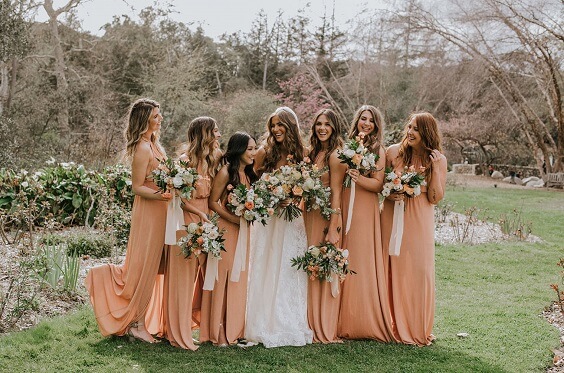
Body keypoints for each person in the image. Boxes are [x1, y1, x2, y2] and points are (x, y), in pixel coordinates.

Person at [85, 98, 170, 343]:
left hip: (161, 211)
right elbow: (137, 187)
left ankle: (145, 319)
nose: (160, 119)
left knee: (154, 267)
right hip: (149, 212)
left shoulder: (154, 145)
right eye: (156, 116)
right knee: (144, 266)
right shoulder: (142, 149)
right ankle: (136, 323)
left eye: (159, 114)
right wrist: (163, 194)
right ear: (144, 120)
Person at [244, 106, 313, 348]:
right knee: (266, 261)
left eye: (280, 124)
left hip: (292, 219)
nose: (276, 129)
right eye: (273, 125)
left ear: (290, 126)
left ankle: (288, 319)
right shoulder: (265, 152)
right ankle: (262, 318)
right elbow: (251, 183)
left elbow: (308, 185)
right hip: (270, 219)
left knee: (288, 265)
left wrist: (294, 197)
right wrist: (270, 196)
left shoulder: (304, 153)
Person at [380, 112, 447, 346]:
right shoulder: (392, 152)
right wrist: (390, 192)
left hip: (419, 219)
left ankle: (417, 326)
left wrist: (436, 169)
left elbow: (435, 197)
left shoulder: (437, 159)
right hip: (392, 215)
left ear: (426, 133)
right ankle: (391, 324)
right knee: (392, 268)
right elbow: (380, 186)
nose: (410, 132)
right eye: (409, 126)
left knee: (419, 271)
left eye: (416, 129)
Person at [163, 116, 222, 350]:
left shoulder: (214, 159)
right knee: (183, 279)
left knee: (204, 277)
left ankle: (201, 327)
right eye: (215, 131)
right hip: (186, 222)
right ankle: (177, 333)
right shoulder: (184, 161)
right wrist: (200, 216)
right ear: (204, 134)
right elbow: (179, 199)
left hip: (207, 221)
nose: (218, 134)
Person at [337, 105, 394, 341]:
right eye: (363, 118)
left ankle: (360, 319)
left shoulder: (377, 150)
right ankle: (337, 317)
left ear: (376, 124)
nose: (366, 123)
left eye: (371, 120)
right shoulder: (346, 145)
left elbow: (379, 185)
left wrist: (359, 178)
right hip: (344, 200)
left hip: (363, 207)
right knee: (341, 254)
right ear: (357, 121)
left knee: (359, 257)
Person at [200, 132, 258, 346]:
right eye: (250, 149)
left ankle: (234, 329)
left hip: (243, 230)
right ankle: (217, 331)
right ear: (239, 150)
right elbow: (213, 202)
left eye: (254, 148)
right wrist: (233, 219)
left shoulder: (249, 174)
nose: (254, 152)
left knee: (239, 278)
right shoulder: (225, 172)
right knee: (222, 277)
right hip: (226, 229)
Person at [303, 109, 347, 343]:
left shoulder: (336, 156)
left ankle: (324, 326)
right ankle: (309, 321)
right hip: (308, 214)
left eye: (327, 124)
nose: (322, 128)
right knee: (311, 266)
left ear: (334, 127)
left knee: (324, 267)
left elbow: (337, 193)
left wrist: (333, 226)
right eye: (318, 123)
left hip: (325, 216)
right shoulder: (313, 153)